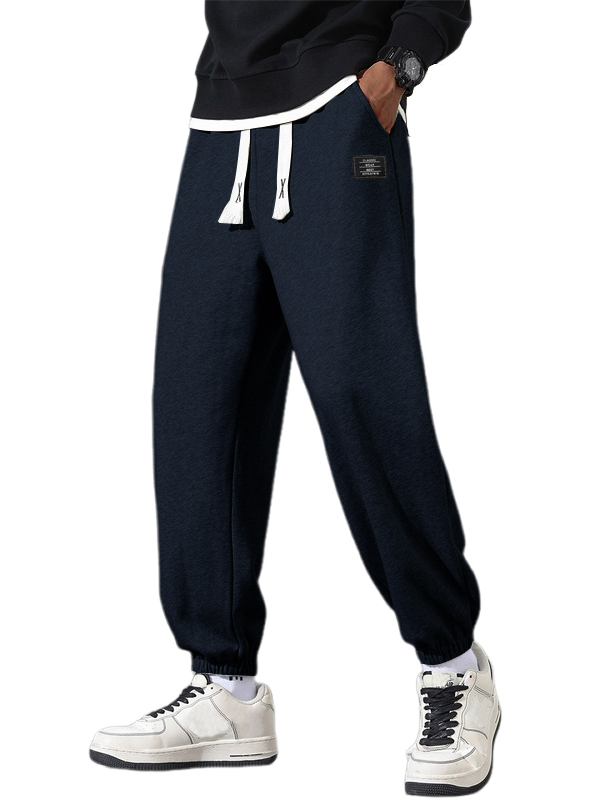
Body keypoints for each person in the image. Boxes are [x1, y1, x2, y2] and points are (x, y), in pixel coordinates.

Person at [90, 1, 500, 793]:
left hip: (339, 115)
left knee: (361, 390)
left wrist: (395, 73)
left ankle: (454, 663)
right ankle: (227, 689)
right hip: (221, 123)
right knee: (198, 403)